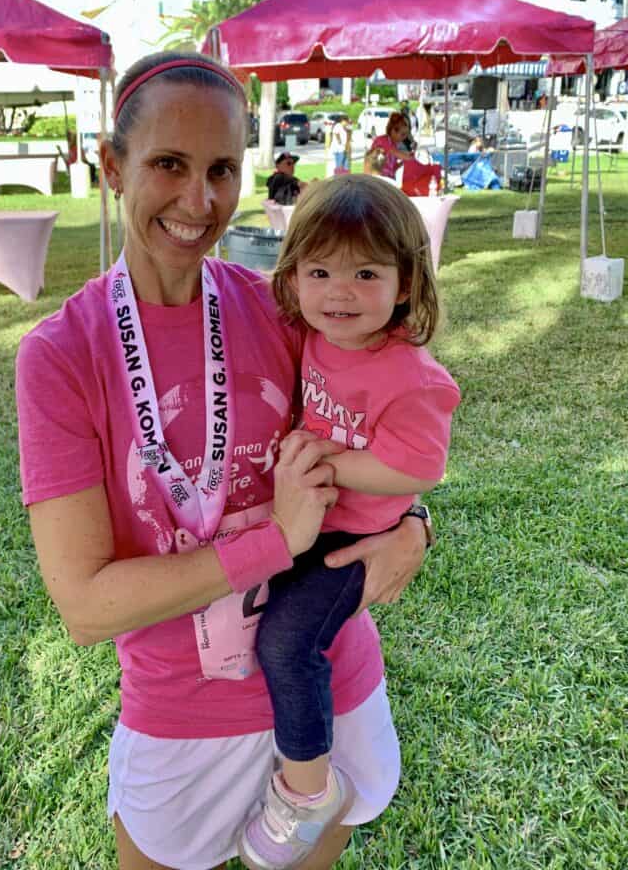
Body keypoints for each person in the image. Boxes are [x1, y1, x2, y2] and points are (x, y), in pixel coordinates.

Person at [16, 50, 430, 870]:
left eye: (222, 169)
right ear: (112, 166)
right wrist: (270, 542)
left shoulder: (281, 310)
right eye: (168, 164)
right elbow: (87, 607)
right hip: (183, 714)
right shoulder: (61, 354)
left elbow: (392, 421)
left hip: (327, 682)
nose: (199, 200)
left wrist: (416, 520)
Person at [238, 174, 460, 869]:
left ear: (404, 285)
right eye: (320, 271)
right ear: (294, 276)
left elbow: (418, 470)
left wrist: (328, 459)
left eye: (365, 273)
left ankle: (308, 788)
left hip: (351, 541)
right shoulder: (315, 335)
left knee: (286, 643)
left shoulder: (411, 376)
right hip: (308, 522)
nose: (339, 291)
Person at [370, 112, 413, 180]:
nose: (404, 137)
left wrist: (401, 163)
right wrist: (410, 157)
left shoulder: (394, 145)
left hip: (387, 180)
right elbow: (397, 153)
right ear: (393, 131)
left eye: (406, 135)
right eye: (402, 134)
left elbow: (392, 168)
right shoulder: (383, 141)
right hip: (378, 181)